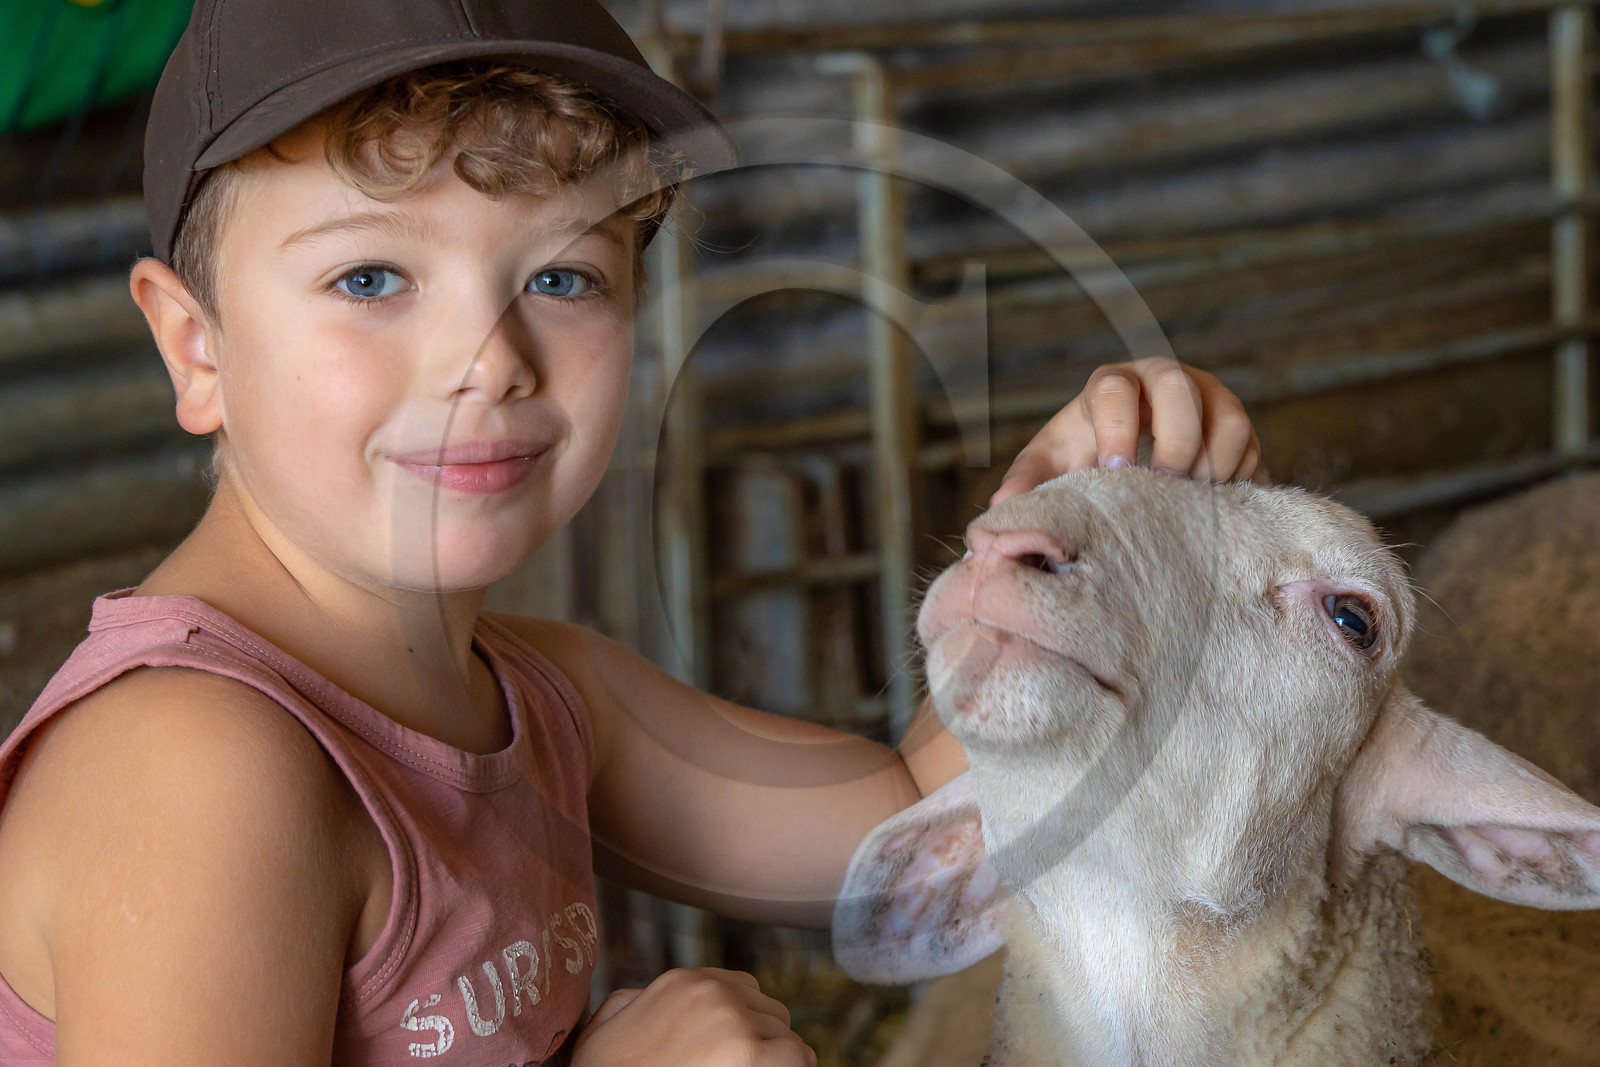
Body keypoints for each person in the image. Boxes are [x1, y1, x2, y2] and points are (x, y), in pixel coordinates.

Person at [0, 0, 1262, 1063]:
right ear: (195, 346)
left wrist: (1069, 529)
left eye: (562, 276)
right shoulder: (196, 766)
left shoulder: (548, 699)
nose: (488, 358)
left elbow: (908, 830)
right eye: (369, 278)